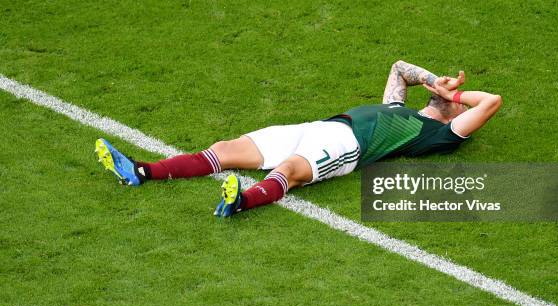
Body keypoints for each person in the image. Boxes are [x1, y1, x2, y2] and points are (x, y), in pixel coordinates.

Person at [95, 60, 502, 217]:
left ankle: (241, 202)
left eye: (458, 104)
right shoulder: (401, 110)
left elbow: (492, 101)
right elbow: (398, 68)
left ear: (459, 116)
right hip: (316, 127)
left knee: (291, 171)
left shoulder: (435, 134)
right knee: (225, 150)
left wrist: (456, 96)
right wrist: (434, 82)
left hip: (346, 149)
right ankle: (141, 171)